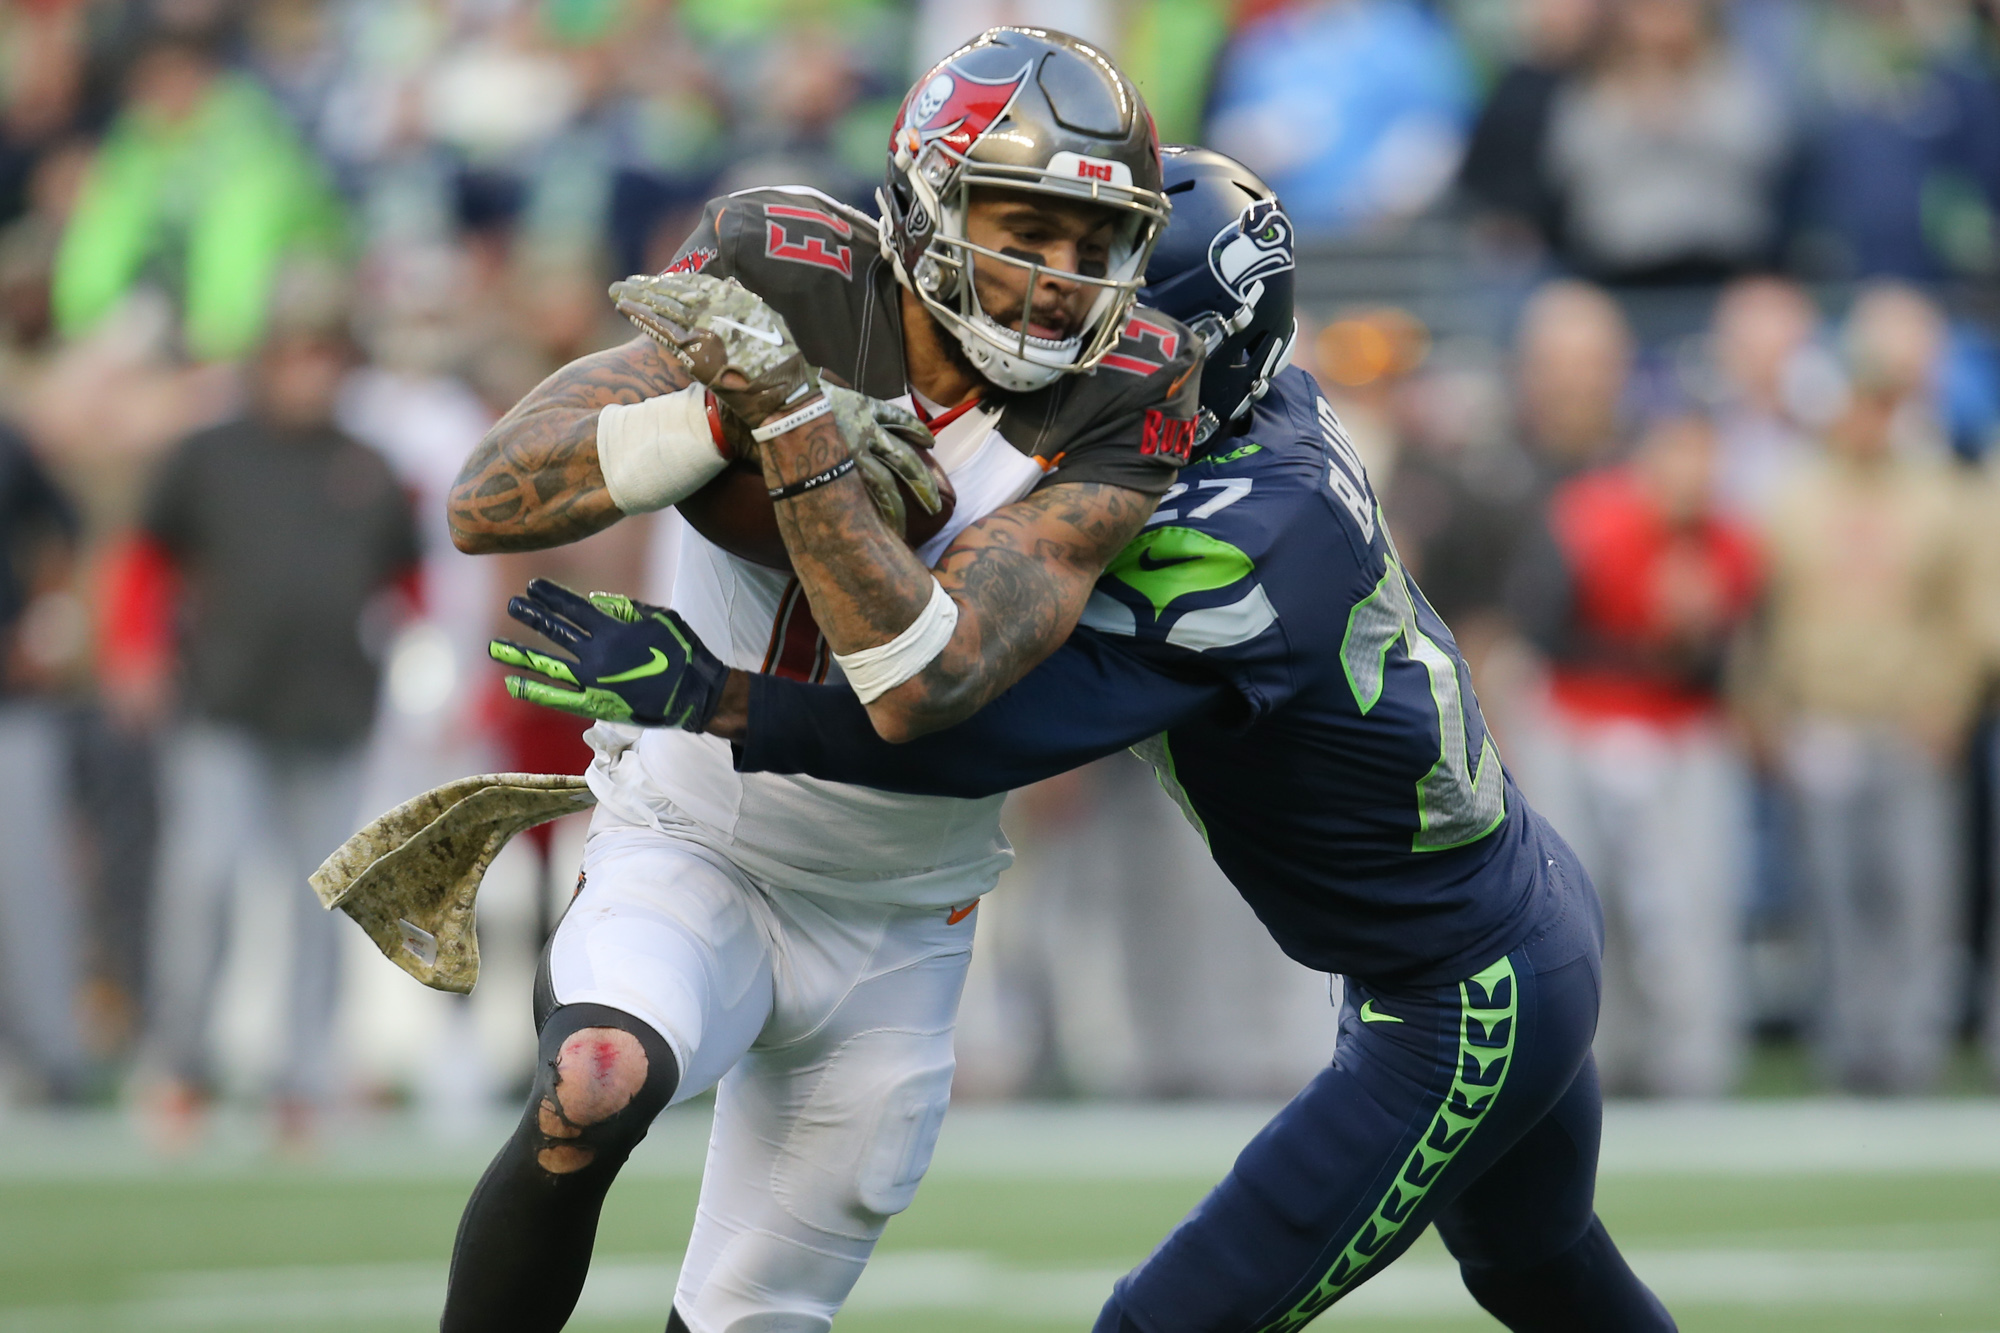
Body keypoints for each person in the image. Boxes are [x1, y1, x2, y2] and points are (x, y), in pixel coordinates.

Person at [499, 147, 1674, 1332]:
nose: (1045, 341)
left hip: (1457, 992)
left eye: (1105, 325)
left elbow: (958, 726)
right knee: (1539, 1265)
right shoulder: (1262, 424)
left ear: (1197, 348)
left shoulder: (1235, 539)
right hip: (1493, 916)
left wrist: (719, 694)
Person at [443, 28, 1199, 1332]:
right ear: (924, 202)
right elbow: (492, 493)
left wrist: (795, 435)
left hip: (901, 912)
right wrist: (721, 414)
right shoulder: (786, 265)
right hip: (695, 836)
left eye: (1095, 244)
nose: (1062, 279)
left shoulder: (1135, 387)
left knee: (757, 1314)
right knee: (597, 1080)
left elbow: (929, 681)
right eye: (1027, 229)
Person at [113, 271, 419, 1146]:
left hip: (332, 711)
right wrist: (135, 650)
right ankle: (181, 1064)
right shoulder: (209, 452)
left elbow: (409, 583)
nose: (311, 370)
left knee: (322, 897)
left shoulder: (366, 466)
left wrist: (414, 666)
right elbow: (146, 561)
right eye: (297, 351)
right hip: (225, 702)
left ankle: (302, 1077)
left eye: (327, 353)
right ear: (267, 358)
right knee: (204, 879)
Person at [1506, 410, 1762, 1097]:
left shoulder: (1730, 539)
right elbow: (1540, 628)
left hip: (1681, 732)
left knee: (1691, 907)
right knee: (1579, 906)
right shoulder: (1587, 518)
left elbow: (1721, 665)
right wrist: (1651, 638)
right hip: (1578, 724)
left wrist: (1695, 637)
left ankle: (1692, 1065)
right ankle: (1590, 1064)